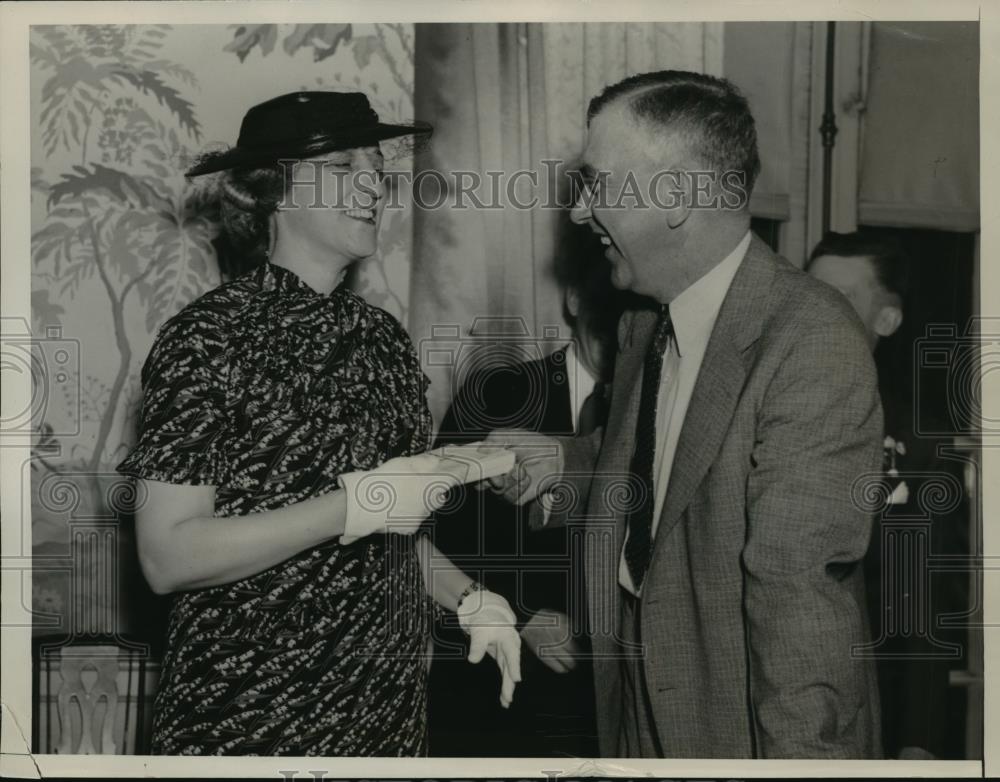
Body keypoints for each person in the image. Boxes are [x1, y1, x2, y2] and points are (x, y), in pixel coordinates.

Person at [485, 71, 884, 758]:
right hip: (631, 698)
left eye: (598, 184)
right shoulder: (646, 317)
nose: (580, 214)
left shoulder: (811, 341)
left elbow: (799, 597)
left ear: (674, 198)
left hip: (736, 719)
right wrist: (560, 464)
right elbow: (656, 469)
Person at [116, 91, 521, 756]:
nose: (372, 186)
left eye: (375, 166)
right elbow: (168, 556)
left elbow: (387, 528)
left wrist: (469, 598)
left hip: (385, 720)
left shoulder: (381, 339)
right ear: (272, 190)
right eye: (341, 168)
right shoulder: (206, 339)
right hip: (247, 722)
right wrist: (359, 504)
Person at [428, 225, 623, 757]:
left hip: (610, 698)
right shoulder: (498, 393)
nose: (615, 320)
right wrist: (523, 613)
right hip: (493, 693)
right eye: (604, 299)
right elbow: (436, 530)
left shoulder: (652, 414)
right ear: (574, 298)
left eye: (628, 306)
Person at [807, 231, 969, 759]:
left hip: (859, 713)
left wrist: (918, 741)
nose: (816, 313)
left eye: (842, 299)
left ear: (887, 321)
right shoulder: (745, 413)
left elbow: (923, 604)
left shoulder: (918, 444)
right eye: (809, 294)